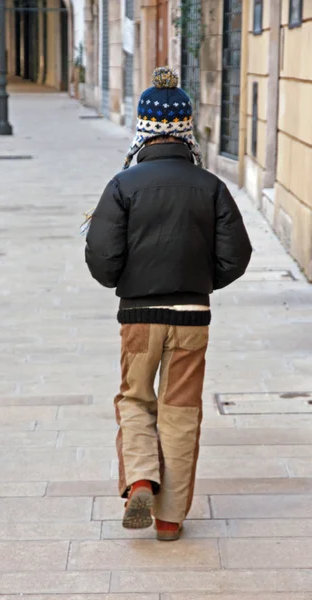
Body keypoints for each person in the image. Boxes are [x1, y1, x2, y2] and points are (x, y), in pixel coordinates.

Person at [85, 67, 252, 542]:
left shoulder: (123, 184)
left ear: (143, 127)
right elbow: (236, 255)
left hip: (138, 316)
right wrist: (201, 282)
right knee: (181, 412)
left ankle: (140, 478)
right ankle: (169, 518)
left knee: (136, 400)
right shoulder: (211, 186)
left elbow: (101, 257)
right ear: (186, 127)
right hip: (193, 317)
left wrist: (127, 282)